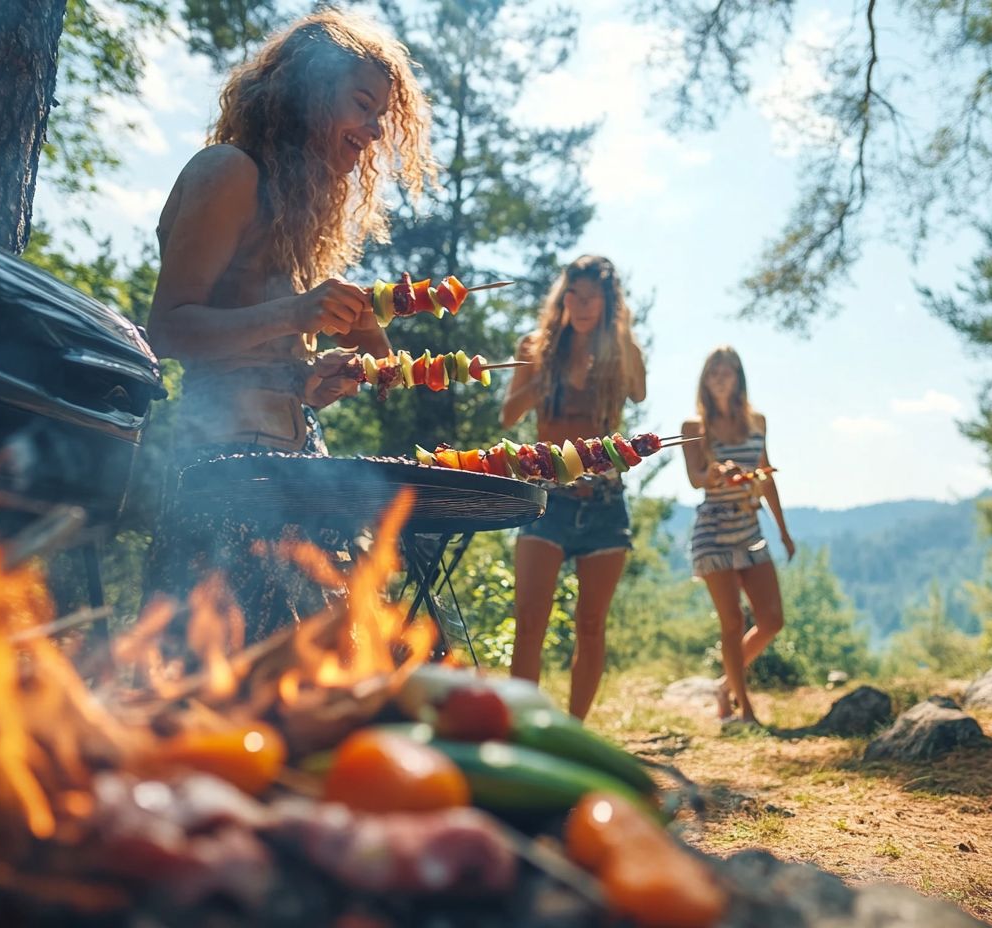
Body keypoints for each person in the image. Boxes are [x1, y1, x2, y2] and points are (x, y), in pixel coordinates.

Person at [142, 9, 436, 643]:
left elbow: (257, 351)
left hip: (295, 456)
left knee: (317, 669)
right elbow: (167, 330)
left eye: (382, 114)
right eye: (362, 105)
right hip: (221, 463)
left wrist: (309, 379)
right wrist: (297, 313)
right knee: (219, 670)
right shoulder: (228, 170)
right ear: (307, 91)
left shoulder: (293, 208)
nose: (375, 130)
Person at [500, 256, 647, 720]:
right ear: (562, 298)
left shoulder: (620, 349)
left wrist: (619, 338)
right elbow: (508, 415)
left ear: (608, 302)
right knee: (529, 623)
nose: (581, 305)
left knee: (591, 625)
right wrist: (546, 375)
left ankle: (575, 729)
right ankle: (522, 730)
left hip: (604, 502)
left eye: (591, 296)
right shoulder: (536, 347)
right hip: (547, 500)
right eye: (573, 294)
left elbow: (639, 392)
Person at [681, 346, 795, 726]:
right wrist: (712, 474)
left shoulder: (757, 422)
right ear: (704, 379)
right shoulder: (693, 428)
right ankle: (743, 709)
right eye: (713, 371)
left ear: (738, 377)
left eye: (727, 371)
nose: (720, 378)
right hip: (713, 530)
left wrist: (783, 529)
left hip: (750, 526)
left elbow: (765, 475)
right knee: (731, 622)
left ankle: (723, 684)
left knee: (772, 619)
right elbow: (695, 477)